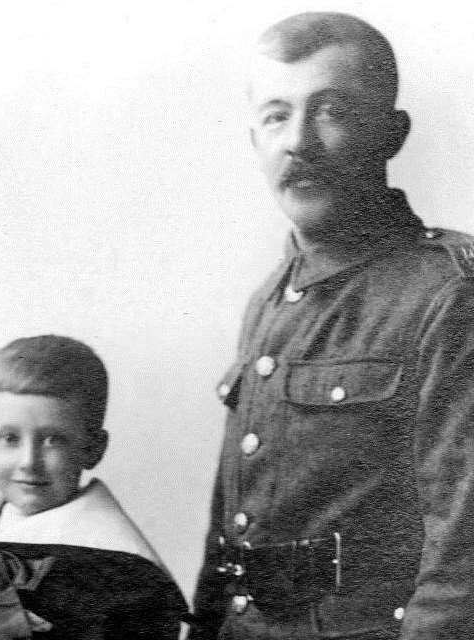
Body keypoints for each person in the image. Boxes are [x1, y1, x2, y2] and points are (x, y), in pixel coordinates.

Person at [189, 11, 474, 640]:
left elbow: (463, 563)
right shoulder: (268, 300)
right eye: (275, 116)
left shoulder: (449, 294)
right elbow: (228, 539)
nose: (298, 141)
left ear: (391, 134)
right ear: (253, 139)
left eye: (330, 111)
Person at [0, 335, 189, 639]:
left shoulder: (122, 576)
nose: (29, 462)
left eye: (53, 440)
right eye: (10, 438)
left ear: (93, 448)